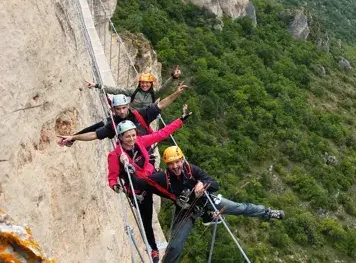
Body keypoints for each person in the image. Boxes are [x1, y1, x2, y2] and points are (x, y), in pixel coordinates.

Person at [129, 146, 285, 263]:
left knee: (239, 207)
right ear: (167, 165)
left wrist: (203, 184)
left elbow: (215, 184)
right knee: (175, 246)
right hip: (186, 211)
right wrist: (126, 169)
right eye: (171, 163)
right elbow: (141, 182)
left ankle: (266, 212)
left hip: (206, 201)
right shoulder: (162, 178)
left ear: (182, 160)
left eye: (177, 161)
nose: (175, 166)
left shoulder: (192, 170)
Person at [109, 105, 191, 263]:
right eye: (127, 137)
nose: (132, 139)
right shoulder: (115, 156)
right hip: (138, 190)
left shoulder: (140, 141)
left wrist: (180, 121)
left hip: (151, 177)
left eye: (133, 135)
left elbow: (162, 134)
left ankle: (186, 202)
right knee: (146, 221)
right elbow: (112, 177)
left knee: (172, 183)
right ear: (120, 138)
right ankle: (153, 249)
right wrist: (116, 186)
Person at [57, 82, 187, 147]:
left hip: (143, 146)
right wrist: (74, 137)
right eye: (118, 109)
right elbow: (94, 134)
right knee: (102, 124)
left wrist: (176, 94)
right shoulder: (114, 124)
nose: (122, 111)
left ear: (128, 106)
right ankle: (71, 138)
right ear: (113, 109)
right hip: (129, 151)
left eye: (124, 108)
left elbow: (161, 104)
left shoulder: (139, 114)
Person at [87, 66, 182, 110]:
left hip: (143, 119)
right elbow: (116, 90)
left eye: (147, 83)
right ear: (139, 83)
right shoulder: (133, 92)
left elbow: (164, 88)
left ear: (151, 84)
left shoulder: (154, 94)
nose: (145, 85)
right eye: (143, 83)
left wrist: (173, 77)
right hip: (131, 116)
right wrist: (97, 85)